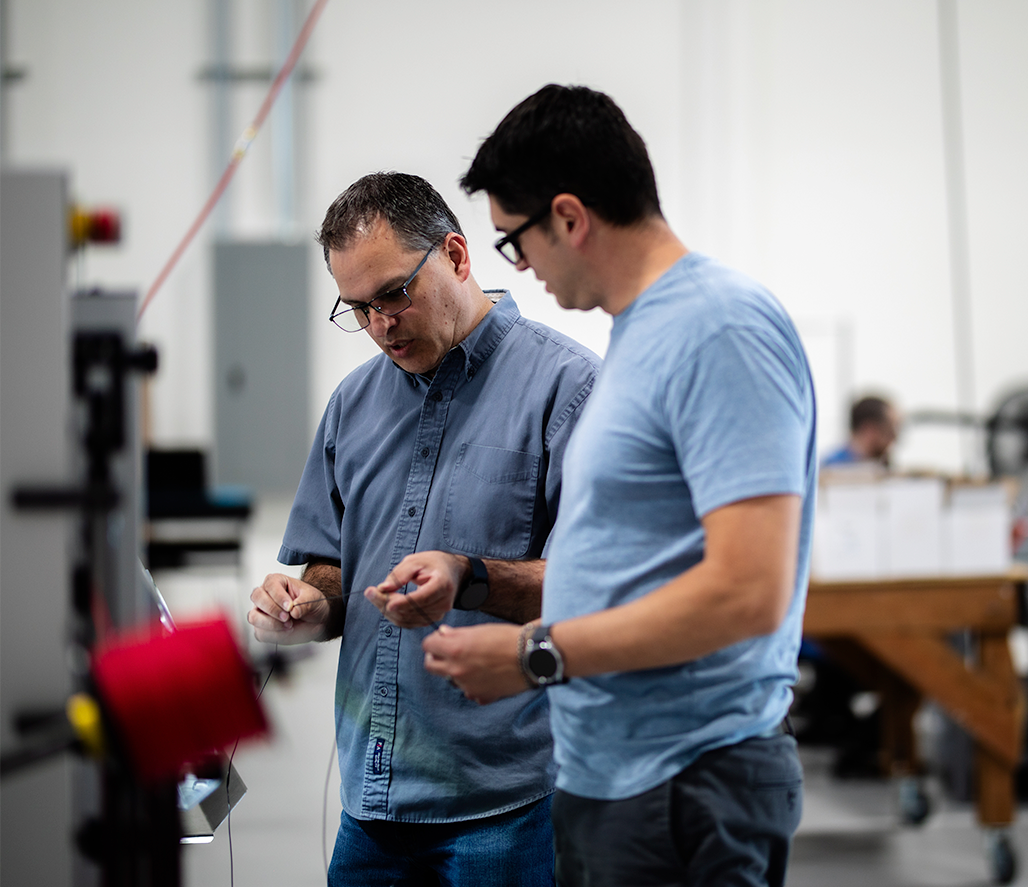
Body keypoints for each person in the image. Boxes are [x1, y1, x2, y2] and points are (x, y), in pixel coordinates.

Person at [422, 85, 817, 887]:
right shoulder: (640, 333)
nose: (519, 266)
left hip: (688, 781)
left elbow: (748, 591)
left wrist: (537, 654)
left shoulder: (718, 327)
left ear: (569, 217)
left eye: (514, 241)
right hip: (620, 774)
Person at [247, 172, 599, 886]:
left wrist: (469, 579)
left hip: (509, 803)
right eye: (357, 309)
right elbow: (327, 565)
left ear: (457, 256)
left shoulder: (570, 389)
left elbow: (593, 588)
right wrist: (309, 603)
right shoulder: (353, 405)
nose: (380, 324)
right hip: (373, 802)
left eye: (393, 294)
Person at [822, 395, 899, 467]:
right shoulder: (831, 468)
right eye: (889, 431)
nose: (894, 438)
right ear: (869, 429)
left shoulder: (882, 466)